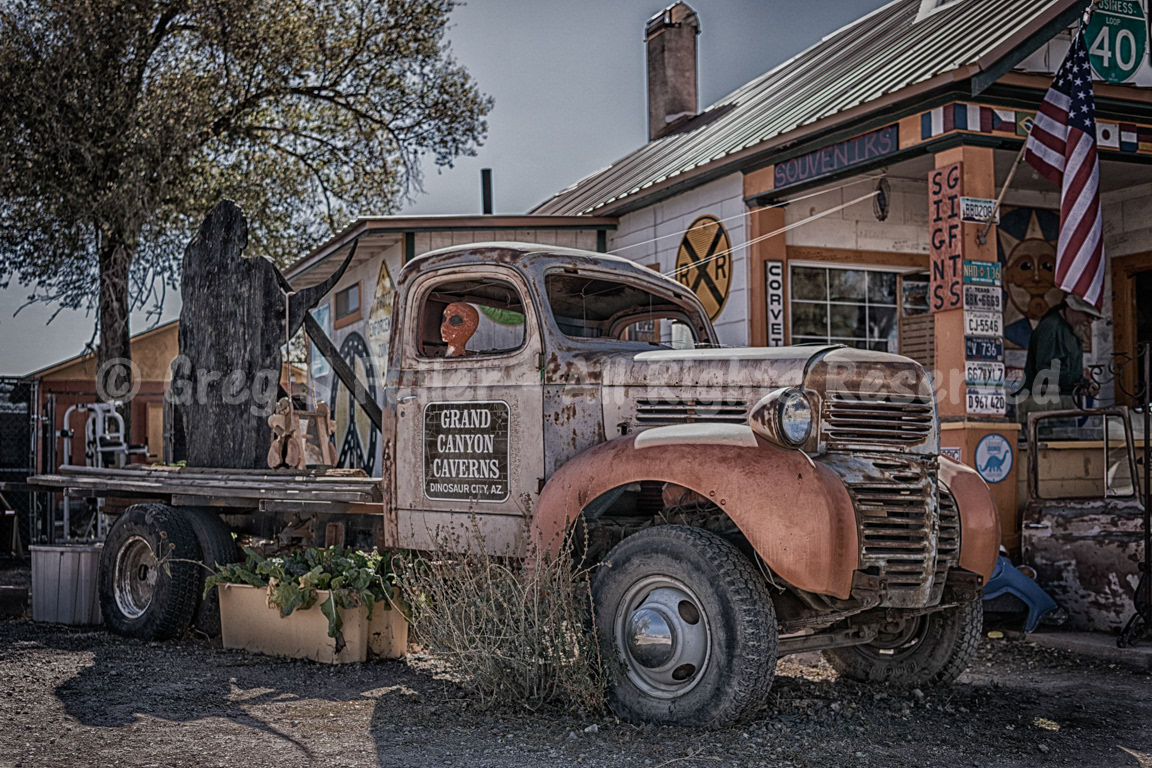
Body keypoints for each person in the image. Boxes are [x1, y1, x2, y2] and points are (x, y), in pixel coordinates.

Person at [1016, 292, 1103, 421]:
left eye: (1093, 317)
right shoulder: (1050, 328)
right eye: (1087, 315)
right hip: (1040, 407)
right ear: (1073, 308)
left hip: (1060, 405)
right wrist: (1079, 382)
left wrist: (1083, 385)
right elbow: (1044, 372)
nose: (1089, 321)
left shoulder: (1072, 330)